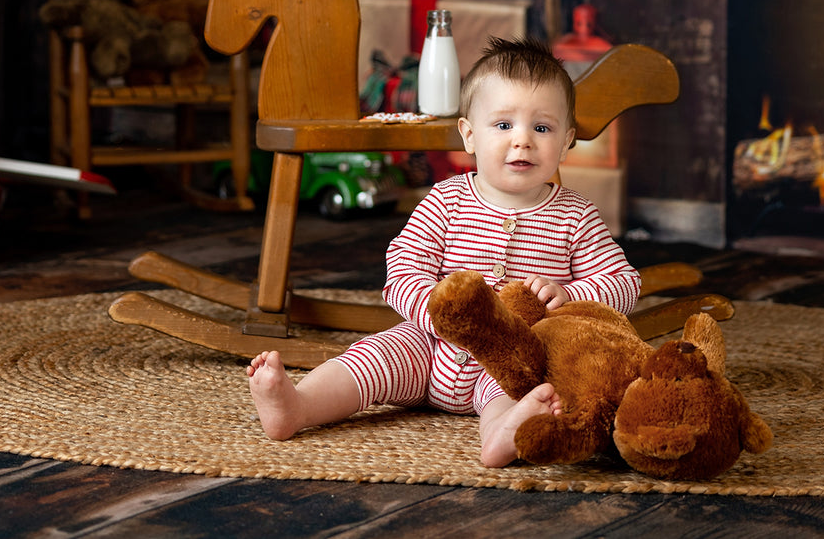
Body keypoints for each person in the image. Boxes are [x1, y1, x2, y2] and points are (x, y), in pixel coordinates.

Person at [246, 35, 641, 467]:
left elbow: (623, 283)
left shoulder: (574, 214)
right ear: (469, 135)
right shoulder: (447, 200)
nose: (523, 140)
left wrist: (572, 295)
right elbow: (402, 270)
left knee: (521, 391)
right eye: (504, 125)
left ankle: (500, 435)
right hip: (429, 343)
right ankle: (297, 405)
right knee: (371, 359)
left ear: (566, 141)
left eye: (541, 128)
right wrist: (436, 314)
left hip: (510, 355)